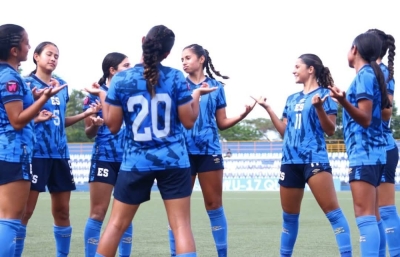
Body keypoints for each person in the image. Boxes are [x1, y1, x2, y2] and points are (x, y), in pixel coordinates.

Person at [85, 25, 216, 257]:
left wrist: (103, 95)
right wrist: (195, 96)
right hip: (174, 160)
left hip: (135, 162)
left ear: (143, 41)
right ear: (167, 53)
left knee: (115, 226)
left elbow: (113, 126)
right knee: (181, 226)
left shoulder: (121, 79)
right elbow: (188, 121)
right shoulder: (176, 76)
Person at [252, 54, 352, 257]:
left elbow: (330, 129)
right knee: (289, 218)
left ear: (311, 69)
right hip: (289, 161)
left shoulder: (325, 94)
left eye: (297, 66)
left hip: (314, 159)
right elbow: (284, 131)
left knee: (333, 214)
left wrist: (318, 108)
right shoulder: (292, 98)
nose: (293, 70)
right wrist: (268, 108)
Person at [167, 44, 255, 257]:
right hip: (182, 153)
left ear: (201, 59)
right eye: (182, 59)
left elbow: (222, 122)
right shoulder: (178, 85)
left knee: (214, 204)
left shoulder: (217, 87)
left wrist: (243, 115)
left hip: (209, 153)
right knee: (179, 210)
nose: (184, 62)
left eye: (188, 57)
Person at [15, 41, 101, 257]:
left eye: (56, 55)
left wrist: (84, 115)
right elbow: (17, 119)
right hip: (35, 155)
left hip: (60, 156)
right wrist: (36, 118)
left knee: (63, 211)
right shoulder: (25, 84)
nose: (53, 58)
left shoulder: (62, 85)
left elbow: (60, 120)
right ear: (36, 56)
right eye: (49, 54)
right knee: (25, 212)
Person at [0, 24, 66, 257]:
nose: (29, 46)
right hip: (13, 152)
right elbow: (17, 121)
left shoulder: (7, 75)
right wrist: (45, 97)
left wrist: (33, 98)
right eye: (27, 43)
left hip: (7, 151)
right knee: (10, 220)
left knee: (7, 218)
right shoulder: (10, 76)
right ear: (14, 50)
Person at [329, 32, 391, 257]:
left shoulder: (364, 75)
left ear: (355, 49)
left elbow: (364, 118)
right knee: (374, 216)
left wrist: (344, 100)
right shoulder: (372, 75)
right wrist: (344, 100)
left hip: (364, 153)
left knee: (365, 216)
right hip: (375, 153)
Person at [83, 52, 133, 257]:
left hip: (129, 161)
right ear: (112, 70)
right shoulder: (94, 94)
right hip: (103, 158)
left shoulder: (132, 94)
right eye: (126, 65)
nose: (130, 69)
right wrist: (94, 125)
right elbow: (88, 133)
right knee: (98, 213)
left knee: (125, 216)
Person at [366, 28, 400, 257]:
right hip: (370, 148)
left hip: (383, 146)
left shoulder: (383, 73)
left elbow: (386, 114)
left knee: (385, 210)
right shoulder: (368, 72)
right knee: (374, 213)